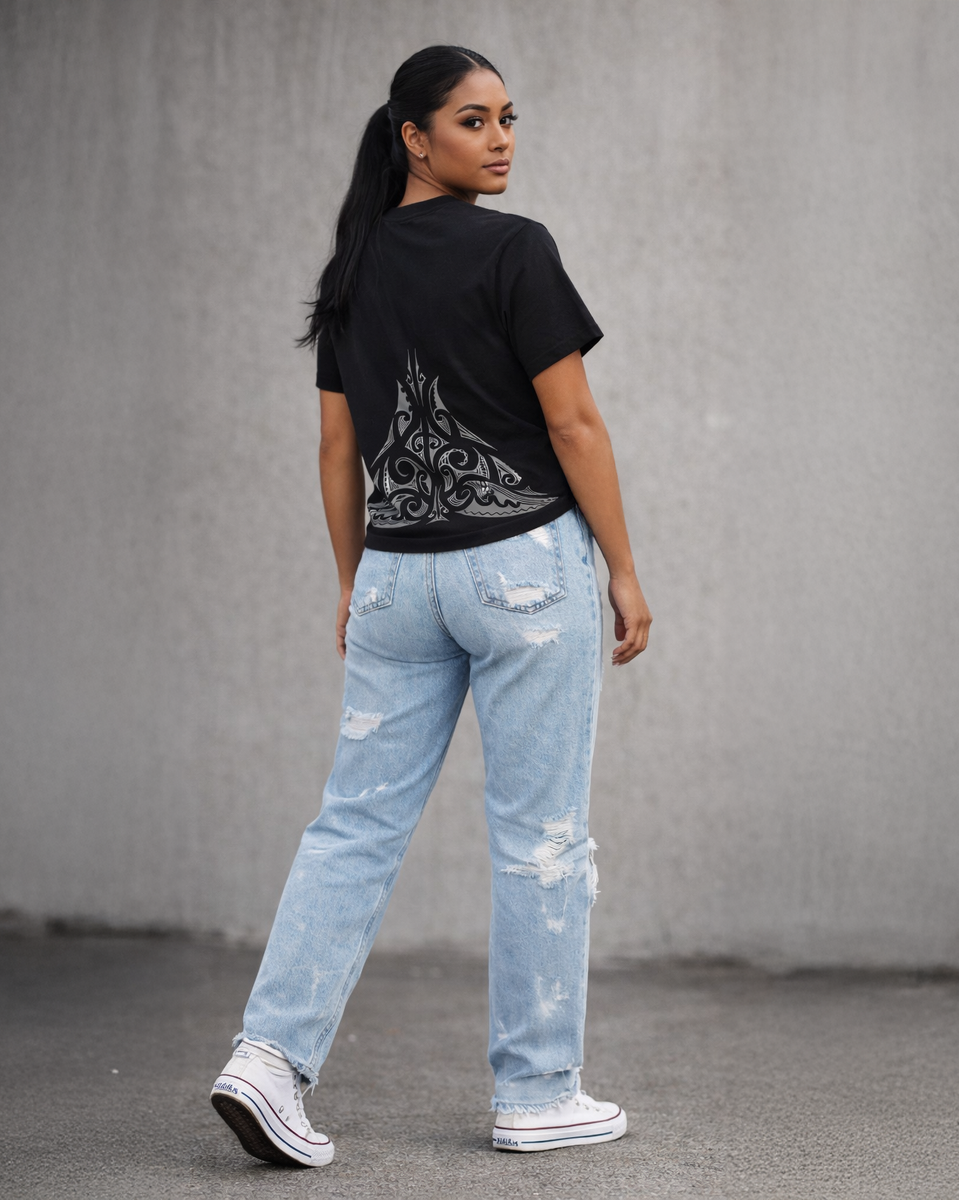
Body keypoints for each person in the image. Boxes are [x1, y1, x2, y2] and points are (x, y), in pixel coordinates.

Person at [210, 44, 651, 1167]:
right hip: (520, 572)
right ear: (413, 136)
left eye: (509, 118)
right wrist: (625, 567)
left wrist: (354, 580)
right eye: (473, 119)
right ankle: (538, 1092)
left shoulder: (353, 267)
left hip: (398, 576)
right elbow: (575, 426)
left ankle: (268, 1057)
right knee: (540, 833)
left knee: (352, 823)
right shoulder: (516, 248)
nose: (501, 138)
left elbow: (335, 447)